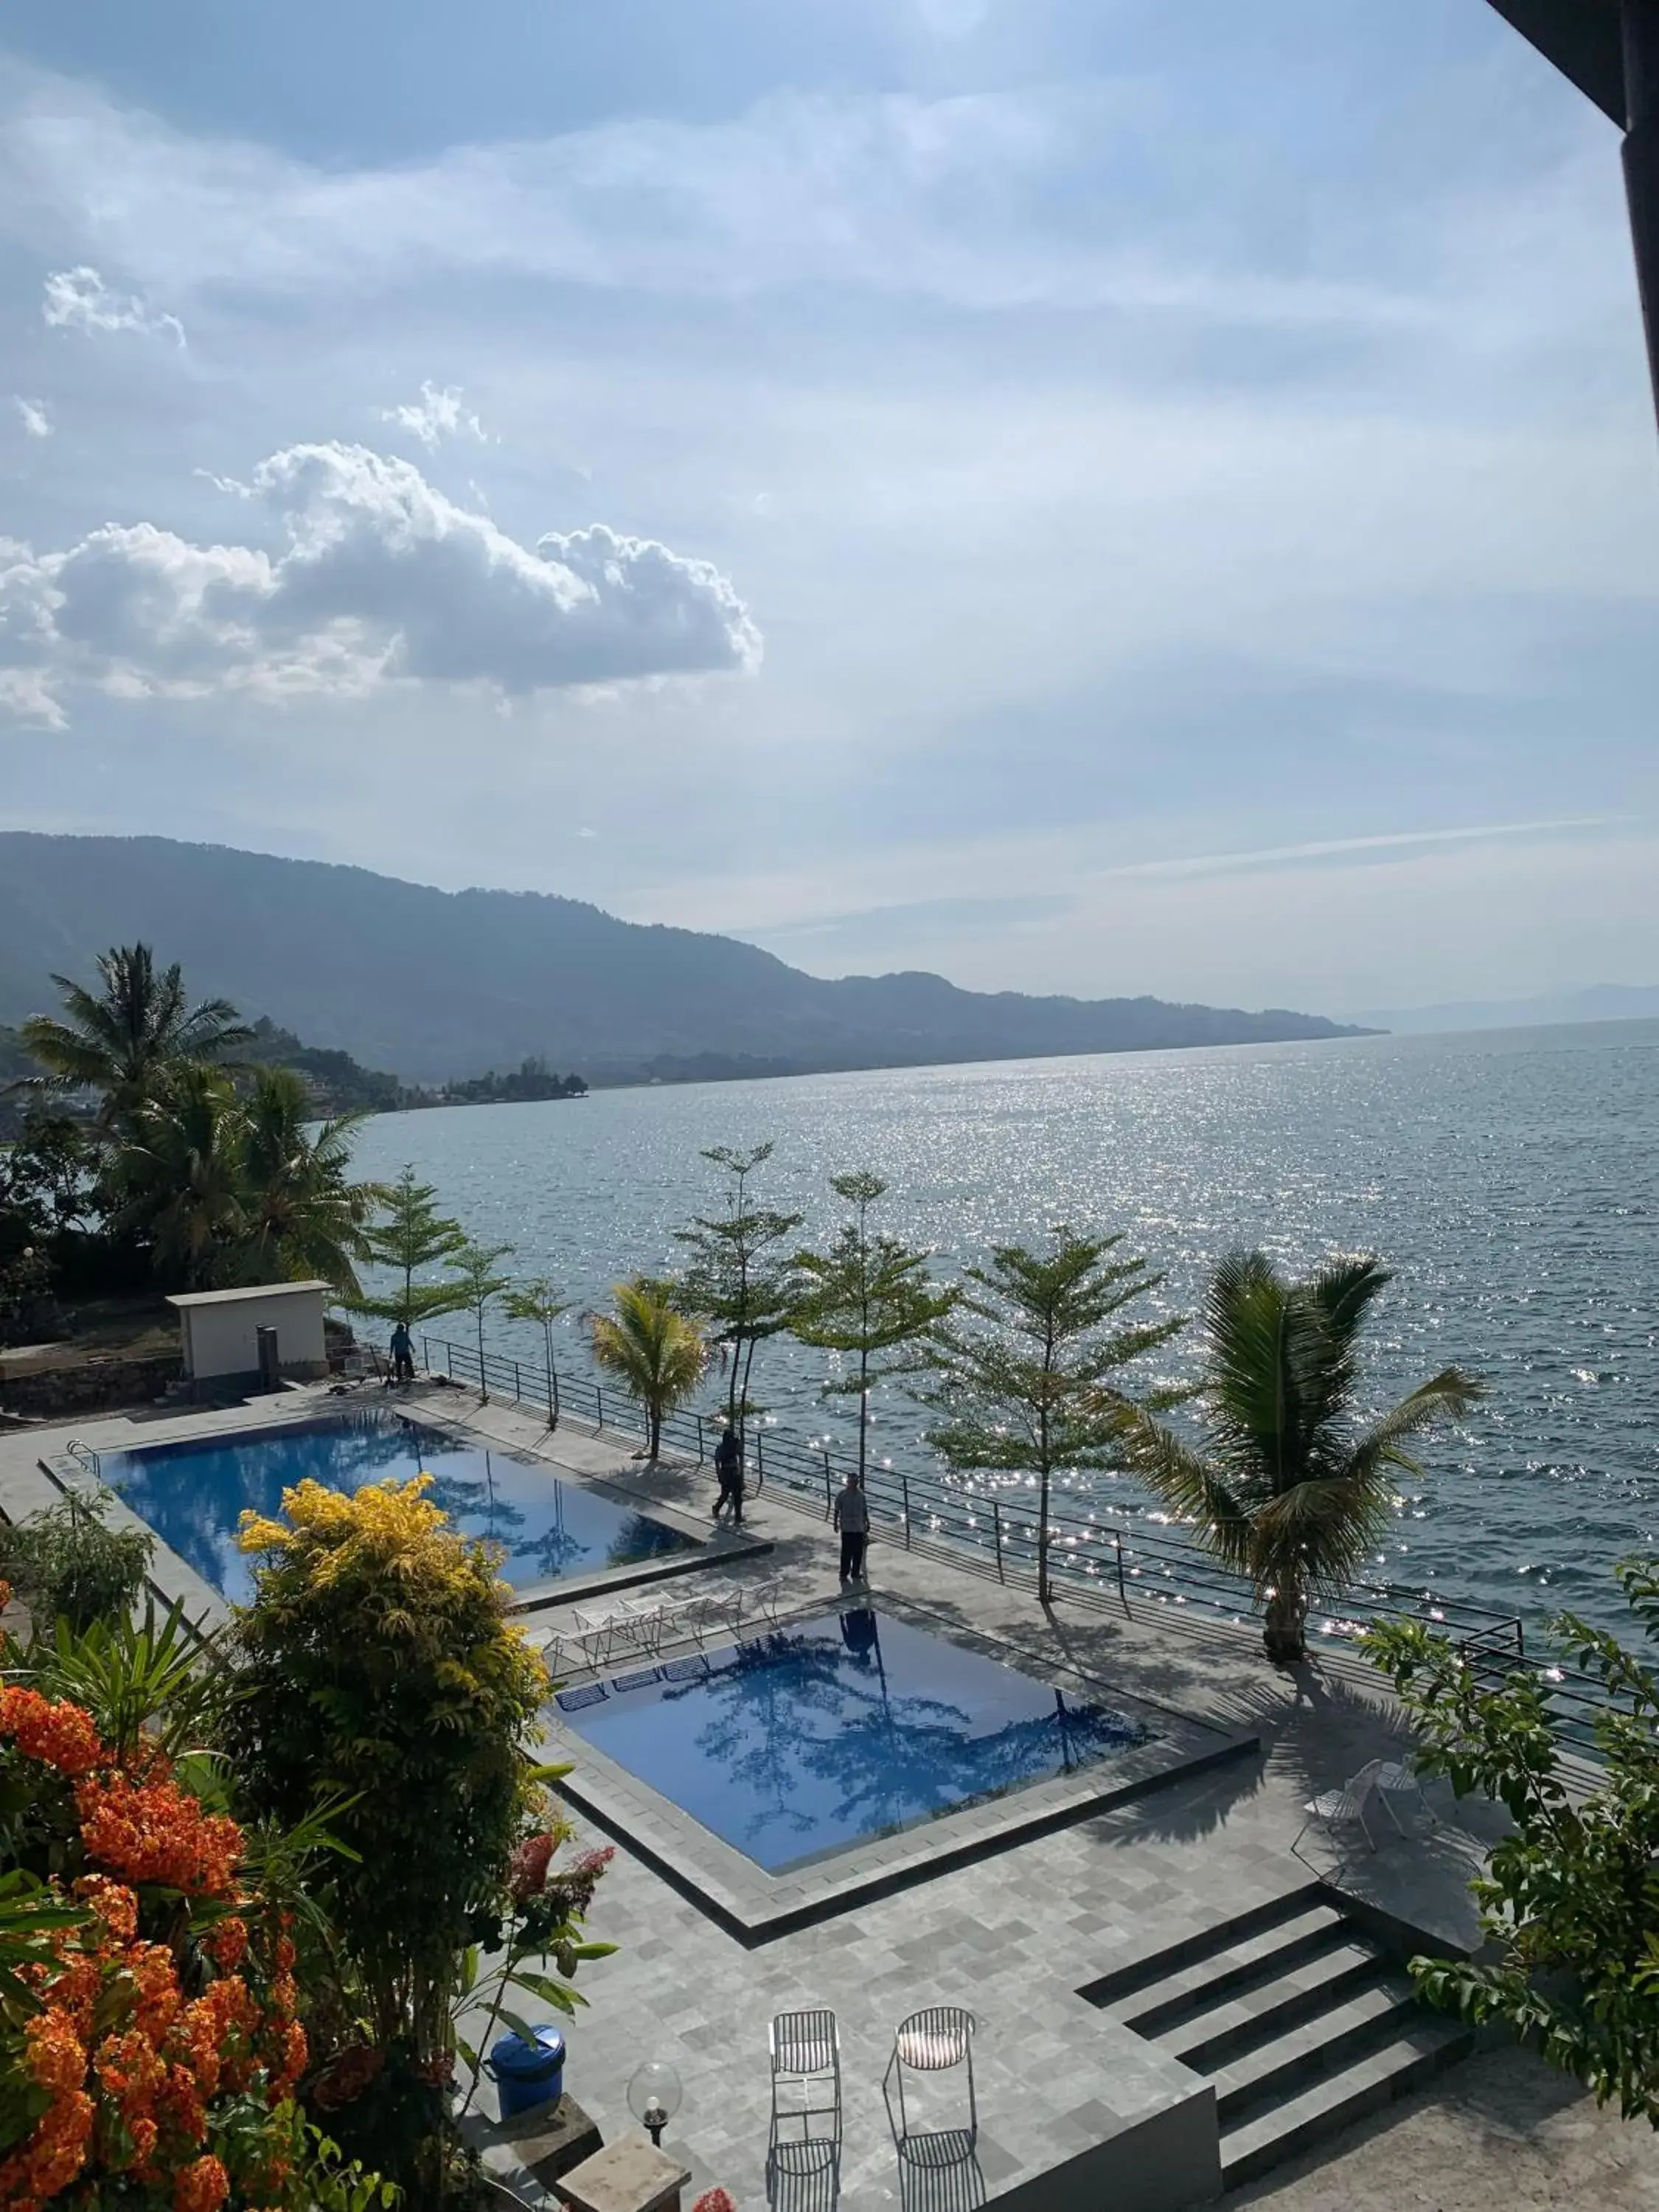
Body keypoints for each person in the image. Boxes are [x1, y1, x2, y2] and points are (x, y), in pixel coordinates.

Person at [832, 1471, 870, 1585]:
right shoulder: (842, 1495)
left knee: (858, 1552)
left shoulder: (861, 1496)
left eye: (855, 1481)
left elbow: (864, 1510)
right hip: (847, 1527)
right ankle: (843, 1574)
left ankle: (855, 1572)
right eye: (851, 1481)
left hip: (858, 1527)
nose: (854, 1483)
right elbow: (837, 1510)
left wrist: (867, 1522)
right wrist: (835, 1523)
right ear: (848, 1482)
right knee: (846, 1553)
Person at [712, 1425, 744, 1524]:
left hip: (735, 1471)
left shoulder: (734, 1444)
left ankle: (738, 1517)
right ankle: (716, 1508)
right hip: (726, 1472)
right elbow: (717, 1462)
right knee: (725, 1495)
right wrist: (719, 1474)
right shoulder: (721, 1448)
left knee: (738, 1496)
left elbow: (740, 1454)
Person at [389, 1320, 415, 1385]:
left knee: (402, 1365)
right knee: (403, 1365)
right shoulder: (396, 1336)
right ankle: (407, 1375)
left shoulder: (398, 1335)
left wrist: (391, 1354)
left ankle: (405, 1375)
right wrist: (412, 1348)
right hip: (402, 1352)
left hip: (401, 1352)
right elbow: (409, 1342)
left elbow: (408, 1342)